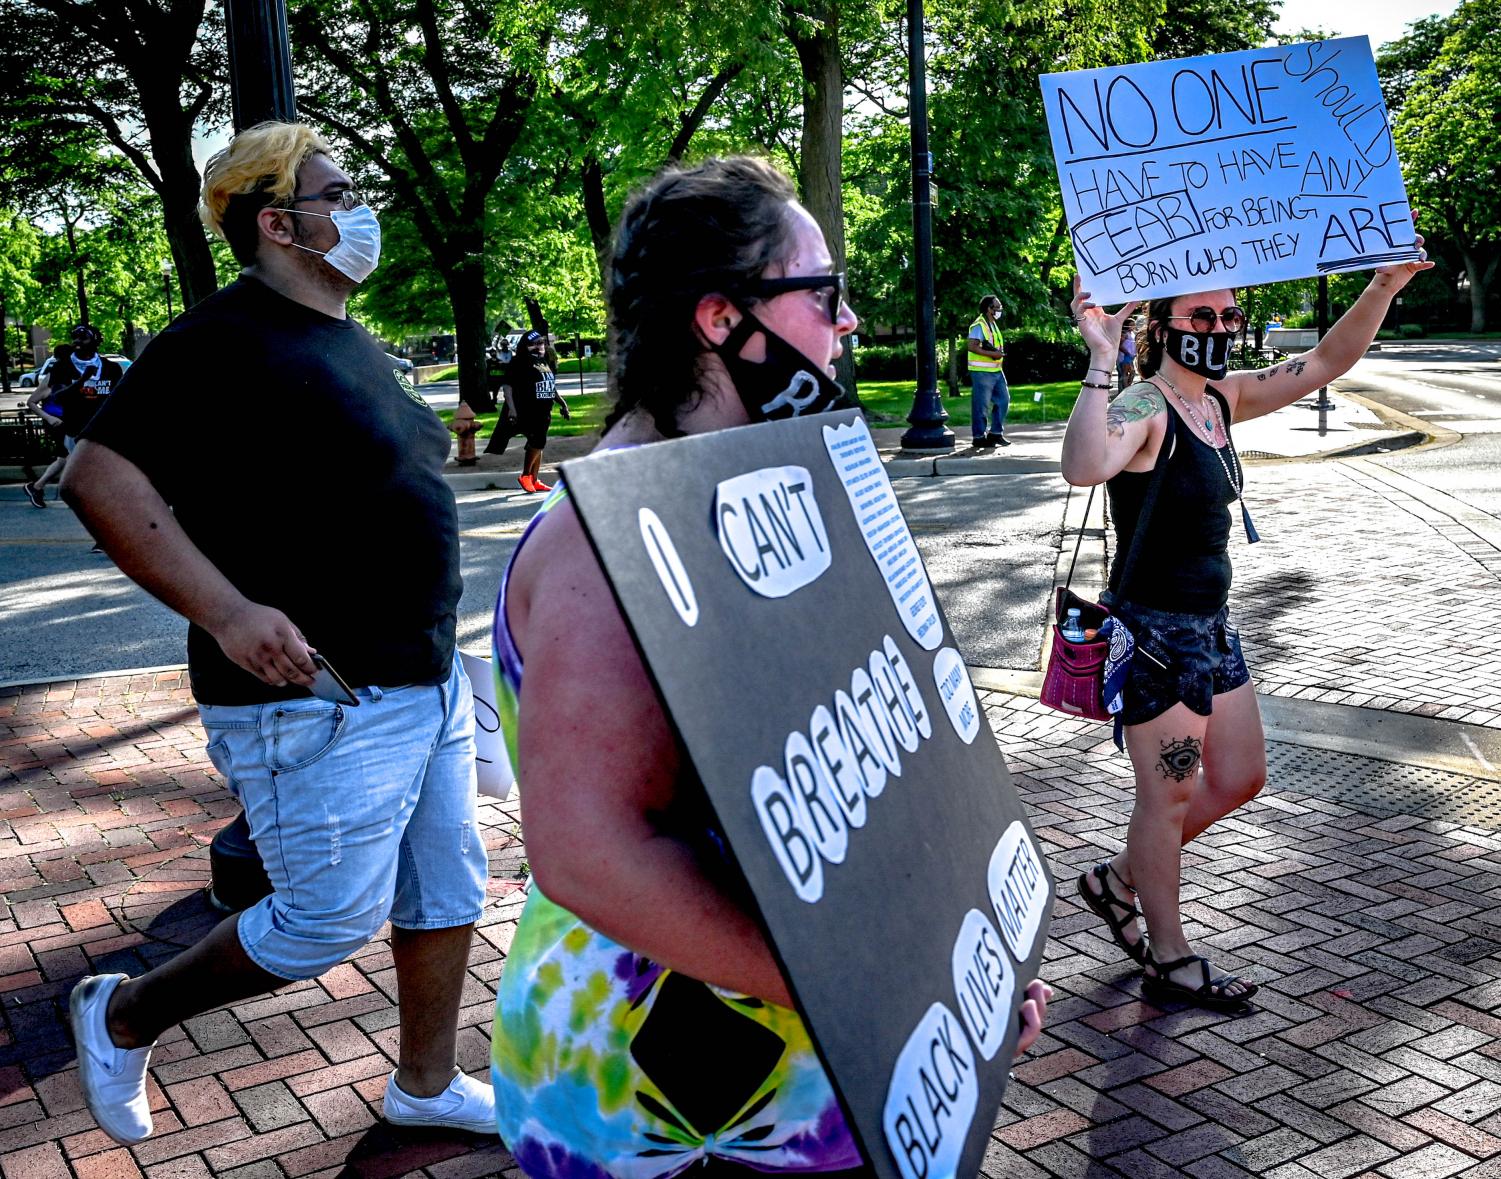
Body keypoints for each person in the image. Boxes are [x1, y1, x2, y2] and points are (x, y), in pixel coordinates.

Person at [488, 155, 1052, 1178]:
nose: (846, 326)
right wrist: (895, 997)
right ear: (720, 318)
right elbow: (588, 852)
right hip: (648, 1096)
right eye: (824, 293)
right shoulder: (605, 535)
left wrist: (960, 952)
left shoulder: (759, 482)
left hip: (799, 1073)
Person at [58, 121, 494, 1145]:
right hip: (319, 696)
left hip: (425, 681)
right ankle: (122, 1014)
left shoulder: (351, 338)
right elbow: (99, 475)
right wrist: (227, 610)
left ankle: (425, 1084)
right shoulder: (221, 337)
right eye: (336, 193)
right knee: (324, 920)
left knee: (444, 888)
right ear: (277, 221)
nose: (358, 210)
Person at [1061, 242, 1432, 1012]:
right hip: (1156, 638)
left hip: (1211, 628)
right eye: (1202, 314)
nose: (1221, 324)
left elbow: (1326, 361)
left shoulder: (1219, 400)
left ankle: (1118, 879)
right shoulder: (1143, 404)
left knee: (1239, 775)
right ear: (1160, 325)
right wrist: (1103, 354)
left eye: (1229, 314)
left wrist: (1383, 285)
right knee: (1164, 800)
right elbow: (1084, 464)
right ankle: (1167, 956)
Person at [23, 325, 123, 509]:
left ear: (96, 341)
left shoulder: (112, 369)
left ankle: (37, 486)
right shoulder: (61, 369)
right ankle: (91, 500)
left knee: (67, 460)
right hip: (74, 428)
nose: (77, 342)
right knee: (82, 463)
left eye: (83, 338)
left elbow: (118, 398)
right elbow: (58, 397)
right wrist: (82, 380)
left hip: (101, 428)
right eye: (74, 338)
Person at [506, 329, 569, 492]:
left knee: (538, 444)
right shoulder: (518, 362)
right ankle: (526, 476)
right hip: (528, 409)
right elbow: (507, 387)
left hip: (545, 410)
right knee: (536, 442)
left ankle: (534, 479)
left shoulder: (543, 362)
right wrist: (512, 409)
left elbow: (550, 386)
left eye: (540, 343)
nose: (537, 347)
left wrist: (562, 403)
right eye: (532, 344)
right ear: (524, 346)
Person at [967, 294, 1010, 449]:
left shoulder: (992, 324)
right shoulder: (979, 325)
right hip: (981, 372)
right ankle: (978, 437)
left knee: (1003, 401)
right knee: (981, 406)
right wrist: (994, 354)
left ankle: (995, 434)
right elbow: (972, 346)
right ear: (989, 309)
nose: (1000, 310)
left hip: (996, 371)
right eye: (997, 307)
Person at [1116, 316, 1137, 391]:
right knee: (1125, 373)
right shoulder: (1124, 334)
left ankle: (1126, 388)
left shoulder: (1132, 333)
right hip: (1125, 356)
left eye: (1134, 324)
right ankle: (1125, 389)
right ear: (1127, 325)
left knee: (1132, 373)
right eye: (1131, 324)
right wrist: (1127, 352)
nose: (1133, 326)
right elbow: (1119, 345)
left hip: (1130, 356)